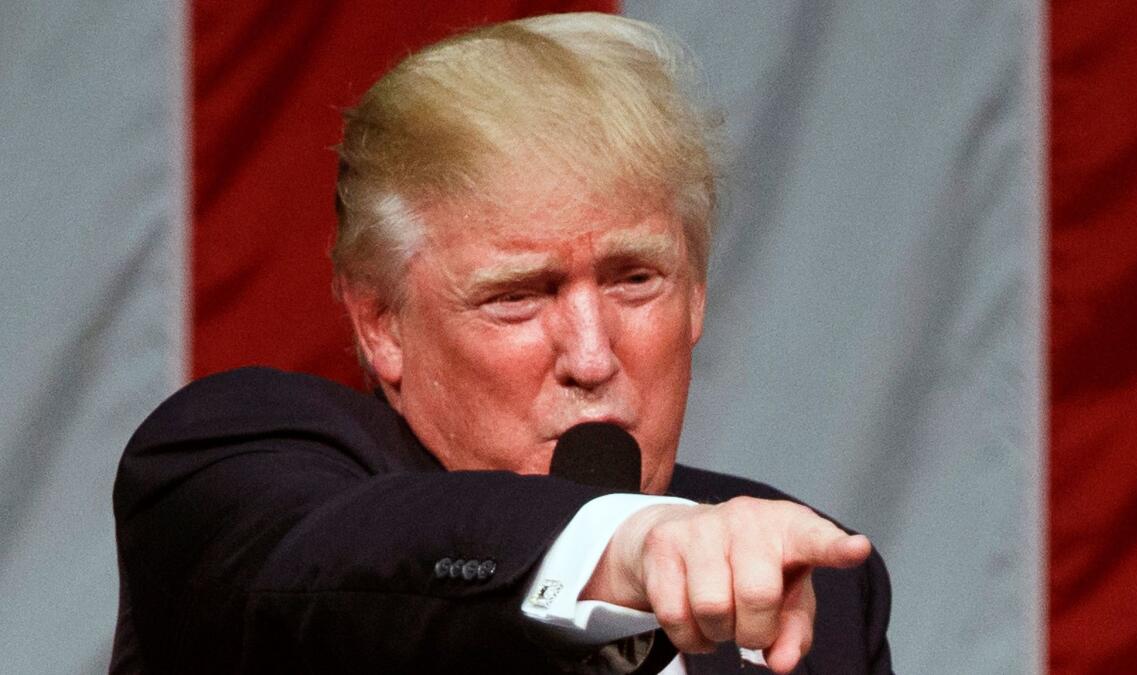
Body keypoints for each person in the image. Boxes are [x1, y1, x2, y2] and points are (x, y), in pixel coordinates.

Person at [111, 12, 892, 674]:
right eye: (518, 296)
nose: (591, 357)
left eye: (634, 279)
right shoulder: (225, 470)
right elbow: (340, 561)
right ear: (380, 323)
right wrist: (623, 549)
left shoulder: (807, 583)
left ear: (697, 296)